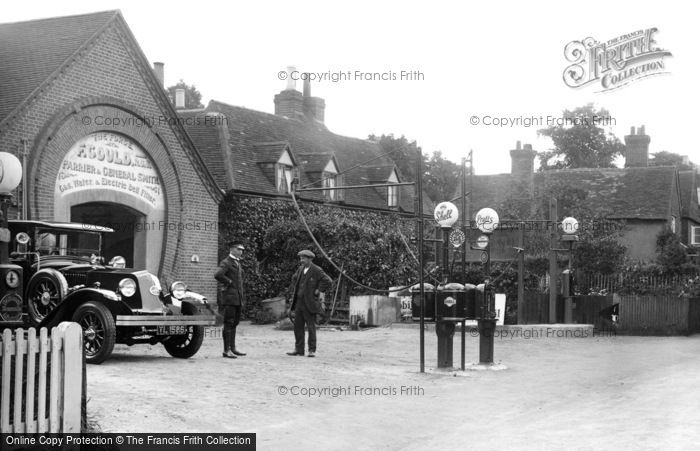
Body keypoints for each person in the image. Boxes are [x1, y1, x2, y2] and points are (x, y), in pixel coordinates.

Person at [286, 250, 332, 358]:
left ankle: (311, 350)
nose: (301, 260)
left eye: (303, 258)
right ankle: (299, 350)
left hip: (309, 303)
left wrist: (318, 290)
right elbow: (294, 278)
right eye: (301, 258)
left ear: (310, 259)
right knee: (297, 327)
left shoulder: (317, 270)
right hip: (299, 302)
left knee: (311, 327)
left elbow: (328, 281)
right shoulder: (301, 269)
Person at [215, 241, 247, 359]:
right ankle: (226, 350)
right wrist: (228, 282)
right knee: (228, 323)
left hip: (237, 298)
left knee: (235, 323)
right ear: (232, 249)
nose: (241, 252)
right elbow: (218, 274)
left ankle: (232, 348)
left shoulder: (236, 262)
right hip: (229, 298)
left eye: (242, 250)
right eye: (239, 249)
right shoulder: (226, 262)